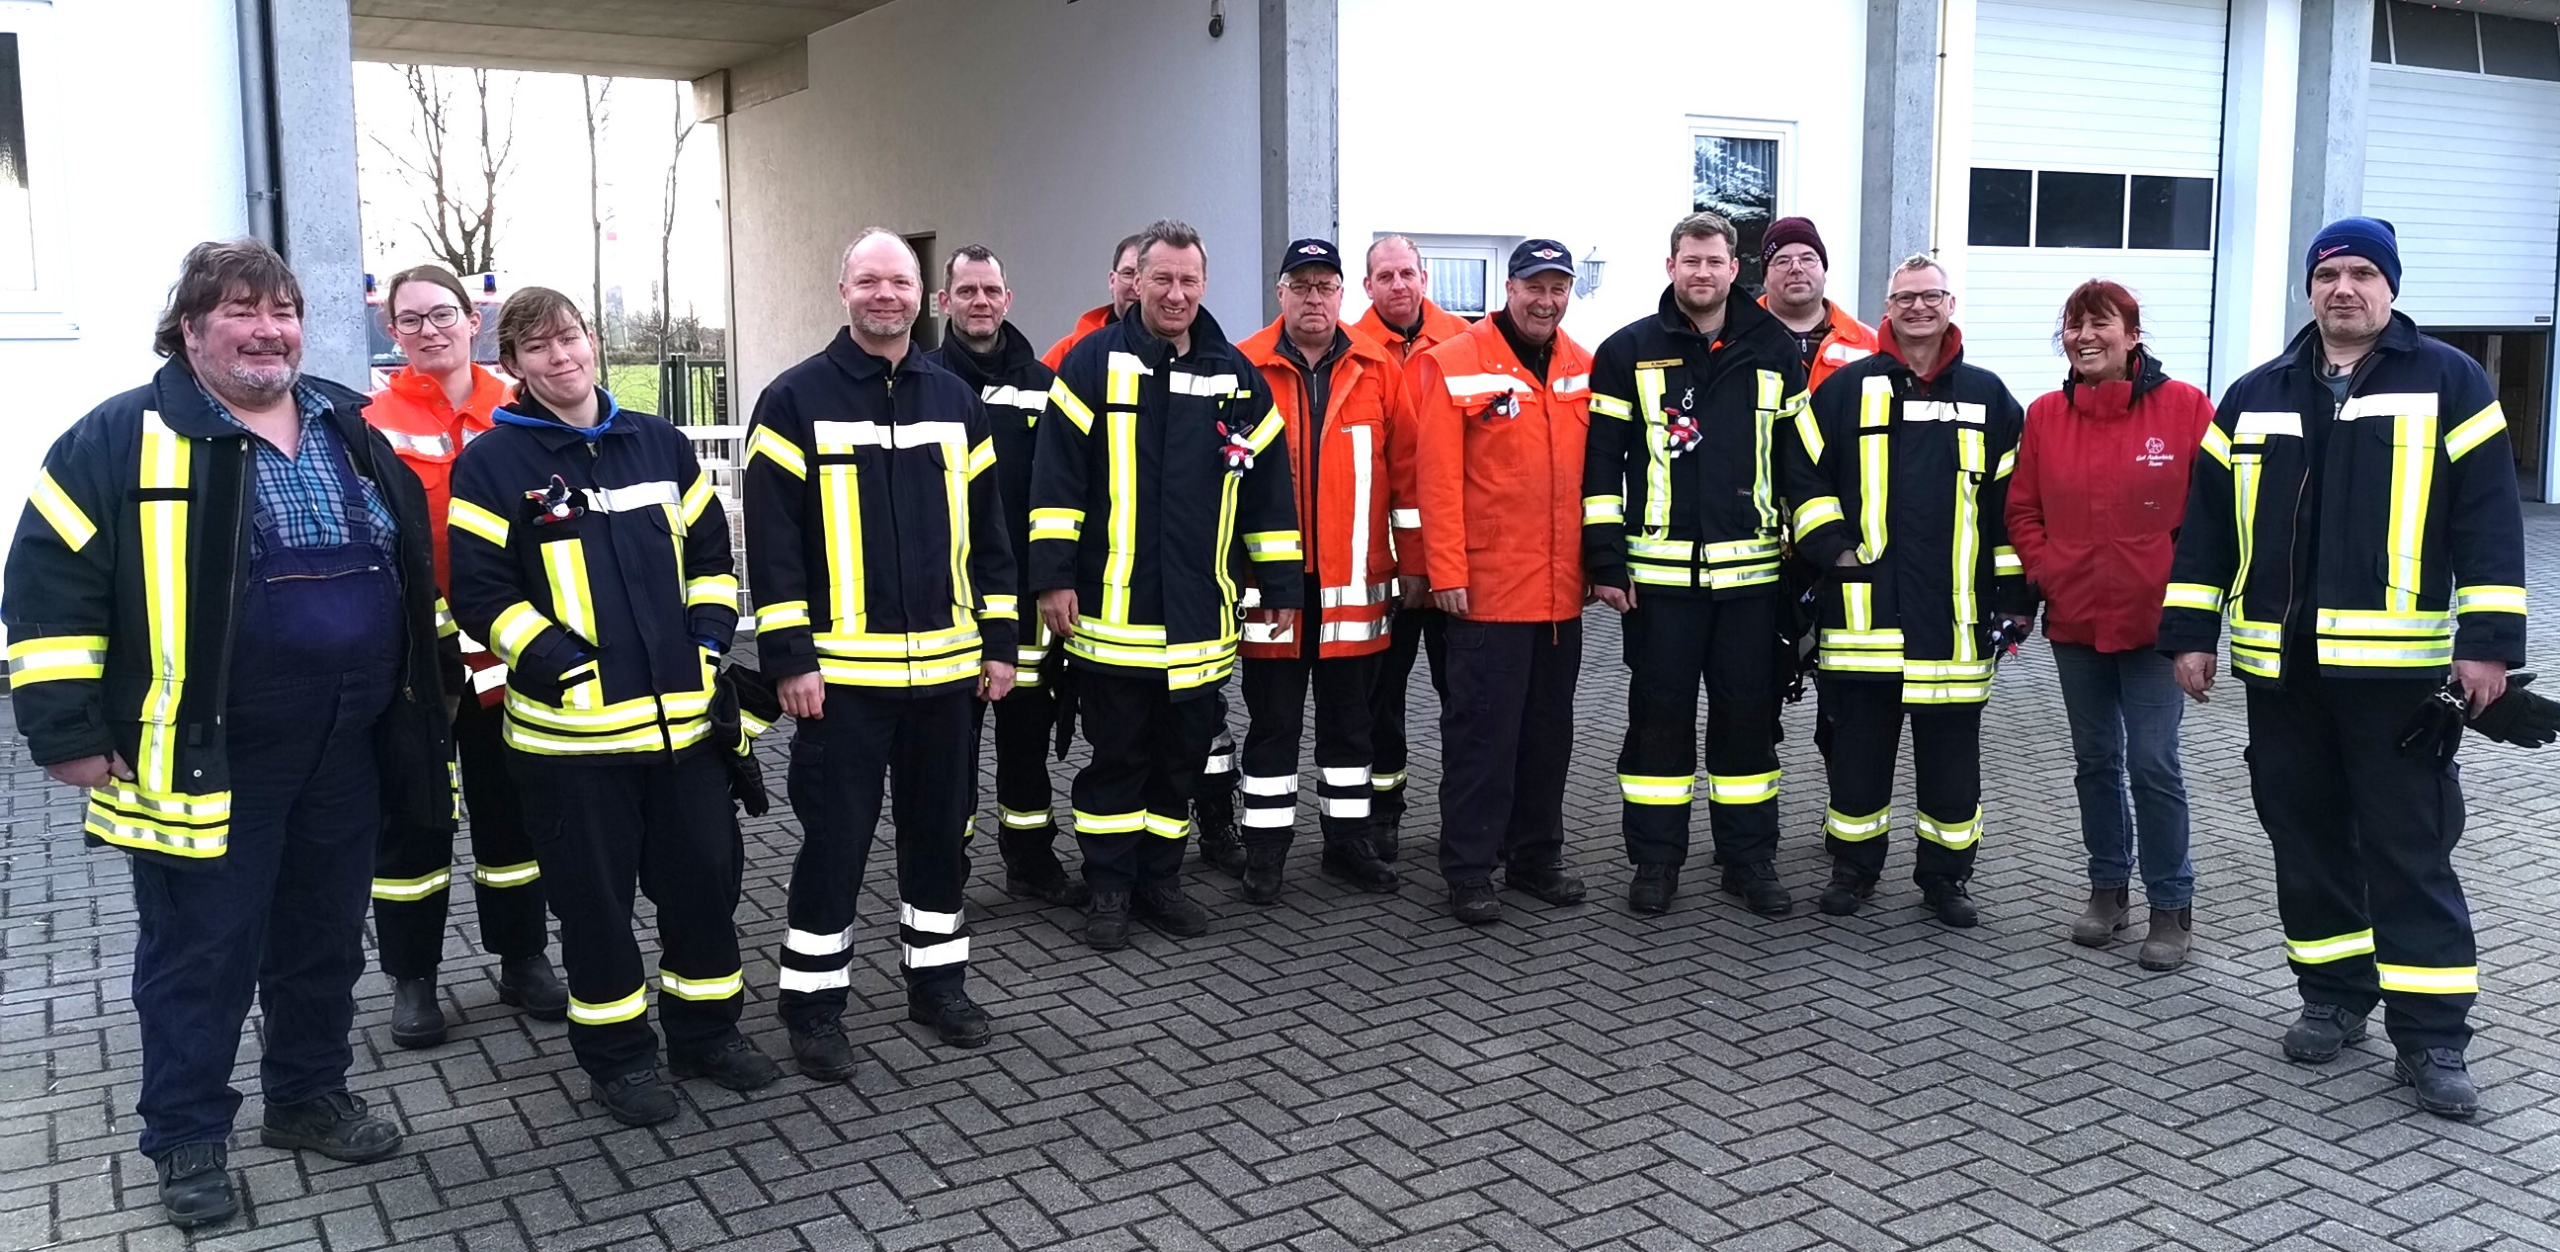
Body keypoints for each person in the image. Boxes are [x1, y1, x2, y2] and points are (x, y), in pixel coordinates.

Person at [4, 239, 454, 1227]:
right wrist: (65, 730)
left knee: (324, 937)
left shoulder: (345, 422)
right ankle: (186, 1136)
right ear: (190, 329)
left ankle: (306, 1095)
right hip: (201, 755)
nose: (267, 330)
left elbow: (409, 566)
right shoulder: (119, 438)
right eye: (242, 311)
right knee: (199, 951)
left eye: (282, 310)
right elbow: (46, 588)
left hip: (347, 745)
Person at [2160, 217, 2527, 1119]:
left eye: (2364, 273)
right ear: (2310, 288)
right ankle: (2331, 998)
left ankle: (2434, 1038)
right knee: (2307, 837)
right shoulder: (2254, 395)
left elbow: (2488, 517)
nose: (2345, 289)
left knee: (2410, 849)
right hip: (2282, 675)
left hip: (2399, 679)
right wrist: (2190, 632)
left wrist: (2487, 646)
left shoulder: (2451, 380)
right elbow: (2208, 526)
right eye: (2329, 274)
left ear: (2390, 288)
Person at [447, 287, 780, 1127]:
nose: (560, 358)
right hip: (572, 743)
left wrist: (706, 646)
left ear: (593, 342)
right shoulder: (492, 464)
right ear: (514, 366)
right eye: (537, 349)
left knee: (704, 888)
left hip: (687, 734)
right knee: (596, 912)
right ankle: (620, 1062)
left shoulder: (660, 444)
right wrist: (559, 663)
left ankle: (707, 1034)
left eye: (569, 339)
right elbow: (480, 593)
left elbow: (711, 558)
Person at [744, 230, 1020, 1077]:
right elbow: (773, 543)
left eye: (899, 281)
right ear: (843, 291)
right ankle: (814, 1009)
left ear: (923, 295)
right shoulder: (793, 399)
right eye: (870, 281)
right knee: (836, 847)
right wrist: (790, 659)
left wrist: (1001, 643)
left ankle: (938, 987)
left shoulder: (955, 398)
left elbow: (991, 531)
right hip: (841, 687)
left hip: (946, 678)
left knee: (940, 841)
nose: (886, 295)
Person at [1029, 218, 1304, 950]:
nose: (1176, 293)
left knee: (1179, 764)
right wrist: (1052, 579)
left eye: (1189, 280)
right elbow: (1055, 484)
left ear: (1204, 285)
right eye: (1162, 279)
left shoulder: (1236, 376)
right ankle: (1109, 889)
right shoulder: (1090, 364)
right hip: (1113, 620)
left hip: (1199, 623)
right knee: (1116, 761)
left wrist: (1280, 584)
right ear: (1134, 281)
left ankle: (1159, 881)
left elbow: (1269, 494)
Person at [1783, 254, 2031, 928]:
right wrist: (1832, 544)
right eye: (1904, 298)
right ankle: (1853, 870)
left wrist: (2014, 596)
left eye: (1931, 296)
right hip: (1864, 617)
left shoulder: (1990, 397)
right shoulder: (1844, 389)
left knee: (1953, 765)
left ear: (1951, 305)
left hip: (1955, 620)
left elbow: (2014, 506)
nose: (1918, 308)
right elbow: (1801, 474)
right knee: (1857, 758)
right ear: (1887, 308)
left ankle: (1946, 879)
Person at [364, 263, 568, 1048]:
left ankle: (522, 958)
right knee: (413, 815)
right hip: (416, 652)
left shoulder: (518, 411)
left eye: (441, 315)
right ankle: (412, 979)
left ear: (472, 320)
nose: (429, 330)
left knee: (510, 805)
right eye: (410, 320)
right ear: (393, 333)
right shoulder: (372, 421)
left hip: (504, 643)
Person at [1584, 213, 1809, 917]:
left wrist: (1817, 556)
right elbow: (1601, 467)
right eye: (1690, 261)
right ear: (1671, 265)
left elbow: (1799, 463)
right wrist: (1605, 560)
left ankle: (1750, 860)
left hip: (1751, 586)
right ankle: (1655, 861)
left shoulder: (1776, 347)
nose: (1702, 273)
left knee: (1747, 723)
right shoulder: (1628, 350)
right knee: (1658, 723)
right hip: (1658, 587)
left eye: (1714, 260)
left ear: (1735, 266)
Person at [2007, 280, 2214, 971]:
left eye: (2101, 325)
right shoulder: (2043, 416)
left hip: (2157, 627)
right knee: (2095, 762)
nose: (2084, 337)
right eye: (2072, 326)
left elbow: (2215, 517)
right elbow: (2022, 511)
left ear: (2132, 335)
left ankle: (2170, 905)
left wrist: (2195, 621)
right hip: (2076, 622)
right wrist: (2050, 571)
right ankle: (2107, 889)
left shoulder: (2184, 408)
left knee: (2153, 763)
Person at [1411, 239, 1596, 925]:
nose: (1546, 301)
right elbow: (1435, 479)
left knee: (1549, 735)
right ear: (1509, 289)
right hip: (1486, 592)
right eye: (1534, 287)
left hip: (1557, 595)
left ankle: (1535, 858)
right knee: (1482, 740)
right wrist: (1447, 571)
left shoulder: (1584, 365)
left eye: (1558, 288)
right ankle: (1468, 869)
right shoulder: (1453, 363)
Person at [1229, 237, 1417, 901]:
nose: (1314, 298)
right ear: (1279, 292)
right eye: (1301, 285)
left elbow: (1407, 480)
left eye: (1325, 286)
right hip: (1270, 589)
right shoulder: (1243, 366)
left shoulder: (1378, 368)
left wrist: (1412, 566)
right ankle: (1266, 852)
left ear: (1344, 295)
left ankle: (1348, 844)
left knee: (1350, 725)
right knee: (1273, 725)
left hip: (1356, 586)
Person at [923, 244, 1090, 908]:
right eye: (967, 291)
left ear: (1008, 298)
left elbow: (1069, 486)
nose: (981, 302)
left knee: (1025, 740)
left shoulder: (1045, 384)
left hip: (1022, 597)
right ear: (945, 302)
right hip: (948, 599)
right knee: (950, 750)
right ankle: (945, 866)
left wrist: (1058, 574)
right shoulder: (923, 379)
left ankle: (1031, 860)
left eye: (991, 290)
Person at [1352, 233, 1474, 860]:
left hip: (1454, 563)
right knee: (1379, 703)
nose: (1398, 285)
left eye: (1407, 273)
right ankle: (1382, 814)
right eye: (1385, 276)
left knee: (1467, 699)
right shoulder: (1349, 353)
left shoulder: (1465, 344)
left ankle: (1468, 816)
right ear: (1367, 285)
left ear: (1424, 277)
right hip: (1381, 567)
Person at [1756, 217, 1878, 395]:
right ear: (1765, 278)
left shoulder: (1869, 343)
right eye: (1782, 261)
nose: (1796, 268)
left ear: (1824, 272)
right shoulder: (1734, 341)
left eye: (1807, 259)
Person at [1042, 233, 1143, 369]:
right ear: (1112, 281)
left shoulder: (1177, 351)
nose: (1136, 286)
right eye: (1128, 274)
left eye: (1145, 276)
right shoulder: (1067, 353)